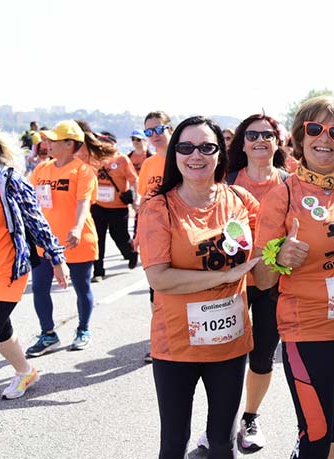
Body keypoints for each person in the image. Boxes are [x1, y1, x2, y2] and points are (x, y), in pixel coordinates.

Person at [253, 96, 334, 459]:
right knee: (316, 431)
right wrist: (278, 257)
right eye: (314, 128)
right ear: (300, 136)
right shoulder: (283, 195)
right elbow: (261, 279)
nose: (324, 138)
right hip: (307, 330)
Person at [137, 116, 261, 458]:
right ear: (174, 154)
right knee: (175, 443)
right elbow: (159, 277)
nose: (197, 155)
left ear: (220, 153)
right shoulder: (158, 206)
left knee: (222, 441)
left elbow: (265, 257)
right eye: (186, 147)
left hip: (230, 345)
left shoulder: (239, 199)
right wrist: (224, 276)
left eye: (207, 147)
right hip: (176, 345)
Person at [197, 114, 288, 454]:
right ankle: (217, 423)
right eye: (253, 135)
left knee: (262, 355)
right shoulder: (226, 180)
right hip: (229, 283)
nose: (260, 140)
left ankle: (249, 417)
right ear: (242, 142)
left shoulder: (290, 183)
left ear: (278, 141)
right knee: (221, 357)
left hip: (274, 283)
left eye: (268, 134)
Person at [0, 116, 68, 400]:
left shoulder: (8, 179)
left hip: (6, 272)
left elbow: (36, 220)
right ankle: (25, 371)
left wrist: (56, 257)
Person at [26, 120, 113, 356]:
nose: (48, 143)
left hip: (77, 240)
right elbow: (31, 202)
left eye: (53, 140)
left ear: (69, 143)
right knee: (40, 288)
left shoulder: (82, 171)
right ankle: (48, 334)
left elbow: (83, 202)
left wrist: (75, 228)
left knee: (81, 287)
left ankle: (83, 330)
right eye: (47, 139)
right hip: (45, 243)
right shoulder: (42, 169)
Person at [137, 111, 174, 362]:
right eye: (149, 132)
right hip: (153, 237)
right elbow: (143, 200)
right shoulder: (149, 164)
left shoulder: (183, 157)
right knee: (155, 291)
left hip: (180, 235)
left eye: (159, 129)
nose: (154, 136)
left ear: (170, 128)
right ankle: (160, 341)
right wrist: (138, 233)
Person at [89, 132, 139, 282]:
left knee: (119, 236)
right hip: (98, 206)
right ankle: (98, 271)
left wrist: (137, 199)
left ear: (112, 143)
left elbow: (134, 180)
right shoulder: (94, 159)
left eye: (102, 141)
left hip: (118, 207)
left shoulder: (122, 159)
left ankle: (131, 253)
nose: (100, 144)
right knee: (98, 239)